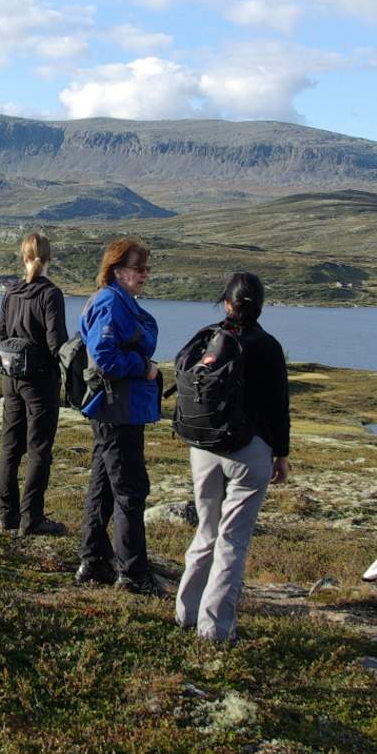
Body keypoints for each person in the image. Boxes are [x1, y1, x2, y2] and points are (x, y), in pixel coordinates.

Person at [175, 272, 292, 641]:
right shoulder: (268, 346)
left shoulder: (209, 337)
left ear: (226, 302)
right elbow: (279, 407)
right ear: (260, 305)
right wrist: (282, 454)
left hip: (204, 448)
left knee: (207, 531)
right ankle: (215, 628)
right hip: (248, 452)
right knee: (232, 540)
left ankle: (186, 613)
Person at [74, 236, 165, 596]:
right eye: (137, 267)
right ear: (116, 270)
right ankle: (133, 574)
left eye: (146, 267)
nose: (145, 273)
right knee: (130, 488)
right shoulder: (111, 303)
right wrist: (144, 367)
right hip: (118, 409)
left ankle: (94, 560)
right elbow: (106, 357)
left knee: (105, 486)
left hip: (119, 408)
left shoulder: (118, 301)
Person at [0, 231, 69, 536]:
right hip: (40, 382)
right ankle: (32, 518)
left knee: (11, 446)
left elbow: (0, 336)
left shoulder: (10, 293)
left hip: (11, 378)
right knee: (39, 448)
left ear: (24, 258)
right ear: (49, 259)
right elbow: (57, 344)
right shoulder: (50, 294)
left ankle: (6, 514)